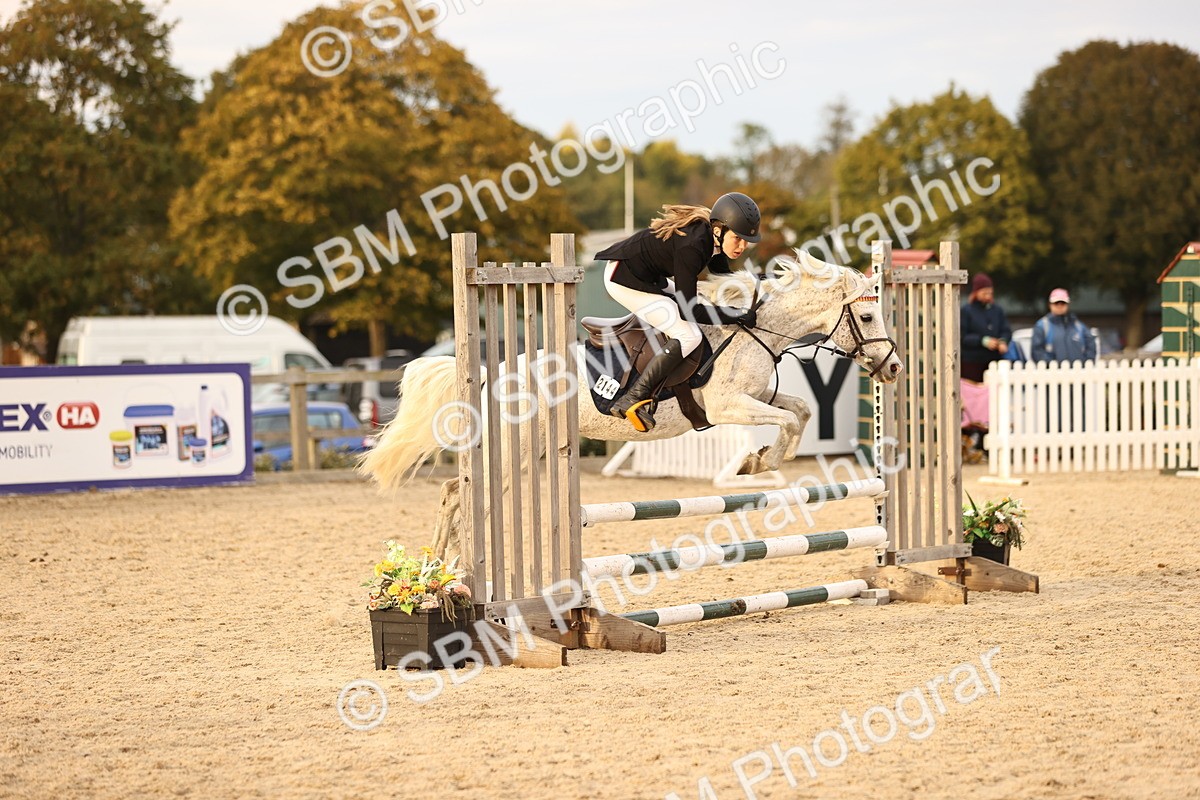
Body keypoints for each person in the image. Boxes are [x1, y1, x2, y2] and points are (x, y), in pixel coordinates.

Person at [595, 192, 761, 432]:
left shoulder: (710, 239)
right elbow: (689, 310)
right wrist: (735, 316)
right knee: (688, 335)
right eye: (738, 238)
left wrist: (761, 284)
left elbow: (724, 278)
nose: (743, 246)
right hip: (622, 279)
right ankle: (633, 397)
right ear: (719, 231)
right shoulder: (693, 246)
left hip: (648, 275)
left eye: (747, 240)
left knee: (702, 302)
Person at [960, 273, 1012, 383]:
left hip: (994, 359)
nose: (988, 296)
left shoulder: (997, 310)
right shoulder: (966, 311)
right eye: (984, 293)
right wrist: (982, 341)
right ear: (976, 292)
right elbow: (962, 336)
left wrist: (1003, 341)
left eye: (990, 293)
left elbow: (1006, 329)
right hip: (972, 363)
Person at [1031, 288, 1096, 363]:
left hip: (1077, 372)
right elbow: (1037, 352)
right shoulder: (1042, 326)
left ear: (1067, 304)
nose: (1059, 306)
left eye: (1063, 303)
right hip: (1052, 373)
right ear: (1050, 305)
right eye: (1056, 303)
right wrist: (1051, 365)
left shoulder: (1078, 325)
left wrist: (1084, 363)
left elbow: (1091, 347)